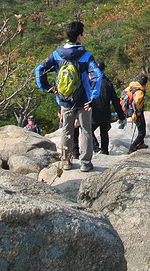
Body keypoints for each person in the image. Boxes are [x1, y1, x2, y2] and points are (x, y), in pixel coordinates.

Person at [34, 20, 102, 172]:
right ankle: (85, 163)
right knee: (85, 130)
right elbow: (97, 75)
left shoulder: (57, 54)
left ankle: (66, 161)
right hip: (84, 99)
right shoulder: (86, 56)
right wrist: (93, 97)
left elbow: (39, 69)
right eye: (82, 35)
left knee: (66, 129)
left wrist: (47, 87)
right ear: (79, 37)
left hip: (64, 99)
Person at [91, 60, 125, 155]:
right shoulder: (108, 83)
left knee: (88, 130)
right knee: (104, 133)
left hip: (93, 112)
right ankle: (104, 151)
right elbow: (115, 101)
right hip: (105, 113)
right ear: (104, 69)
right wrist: (121, 116)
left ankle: (96, 148)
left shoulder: (91, 82)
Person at [124, 75, 148, 152]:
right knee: (142, 132)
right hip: (137, 114)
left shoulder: (131, 87)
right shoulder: (140, 91)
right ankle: (133, 147)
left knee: (140, 127)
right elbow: (137, 102)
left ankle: (141, 143)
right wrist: (137, 112)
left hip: (131, 111)